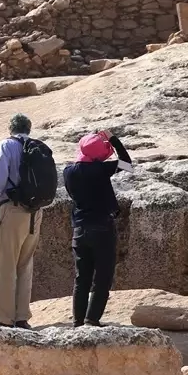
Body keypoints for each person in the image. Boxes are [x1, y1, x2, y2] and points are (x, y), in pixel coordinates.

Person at [63, 131, 132, 327]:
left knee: (81, 278)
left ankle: (77, 321)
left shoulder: (68, 171)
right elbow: (127, 163)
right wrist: (113, 139)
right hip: (102, 228)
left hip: (79, 229)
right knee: (102, 278)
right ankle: (91, 320)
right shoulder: (101, 169)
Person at [0, 113, 43, 328]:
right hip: (35, 212)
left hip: (12, 209)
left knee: (5, 264)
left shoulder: (7, 145)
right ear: (29, 128)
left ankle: (4, 318)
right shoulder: (38, 146)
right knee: (25, 264)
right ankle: (21, 317)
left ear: (11, 129)